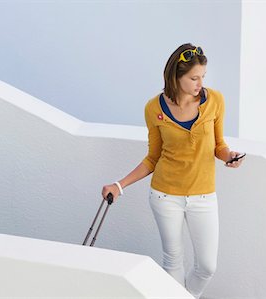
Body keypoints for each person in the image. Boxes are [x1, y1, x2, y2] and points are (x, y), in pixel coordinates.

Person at [101, 43, 245, 298]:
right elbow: (152, 158)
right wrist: (119, 185)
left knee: (207, 266)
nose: (200, 83)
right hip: (165, 196)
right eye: (193, 78)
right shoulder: (154, 108)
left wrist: (229, 157)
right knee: (173, 263)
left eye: (203, 77)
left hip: (203, 196)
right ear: (175, 77)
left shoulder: (215, 101)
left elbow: (219, 146)